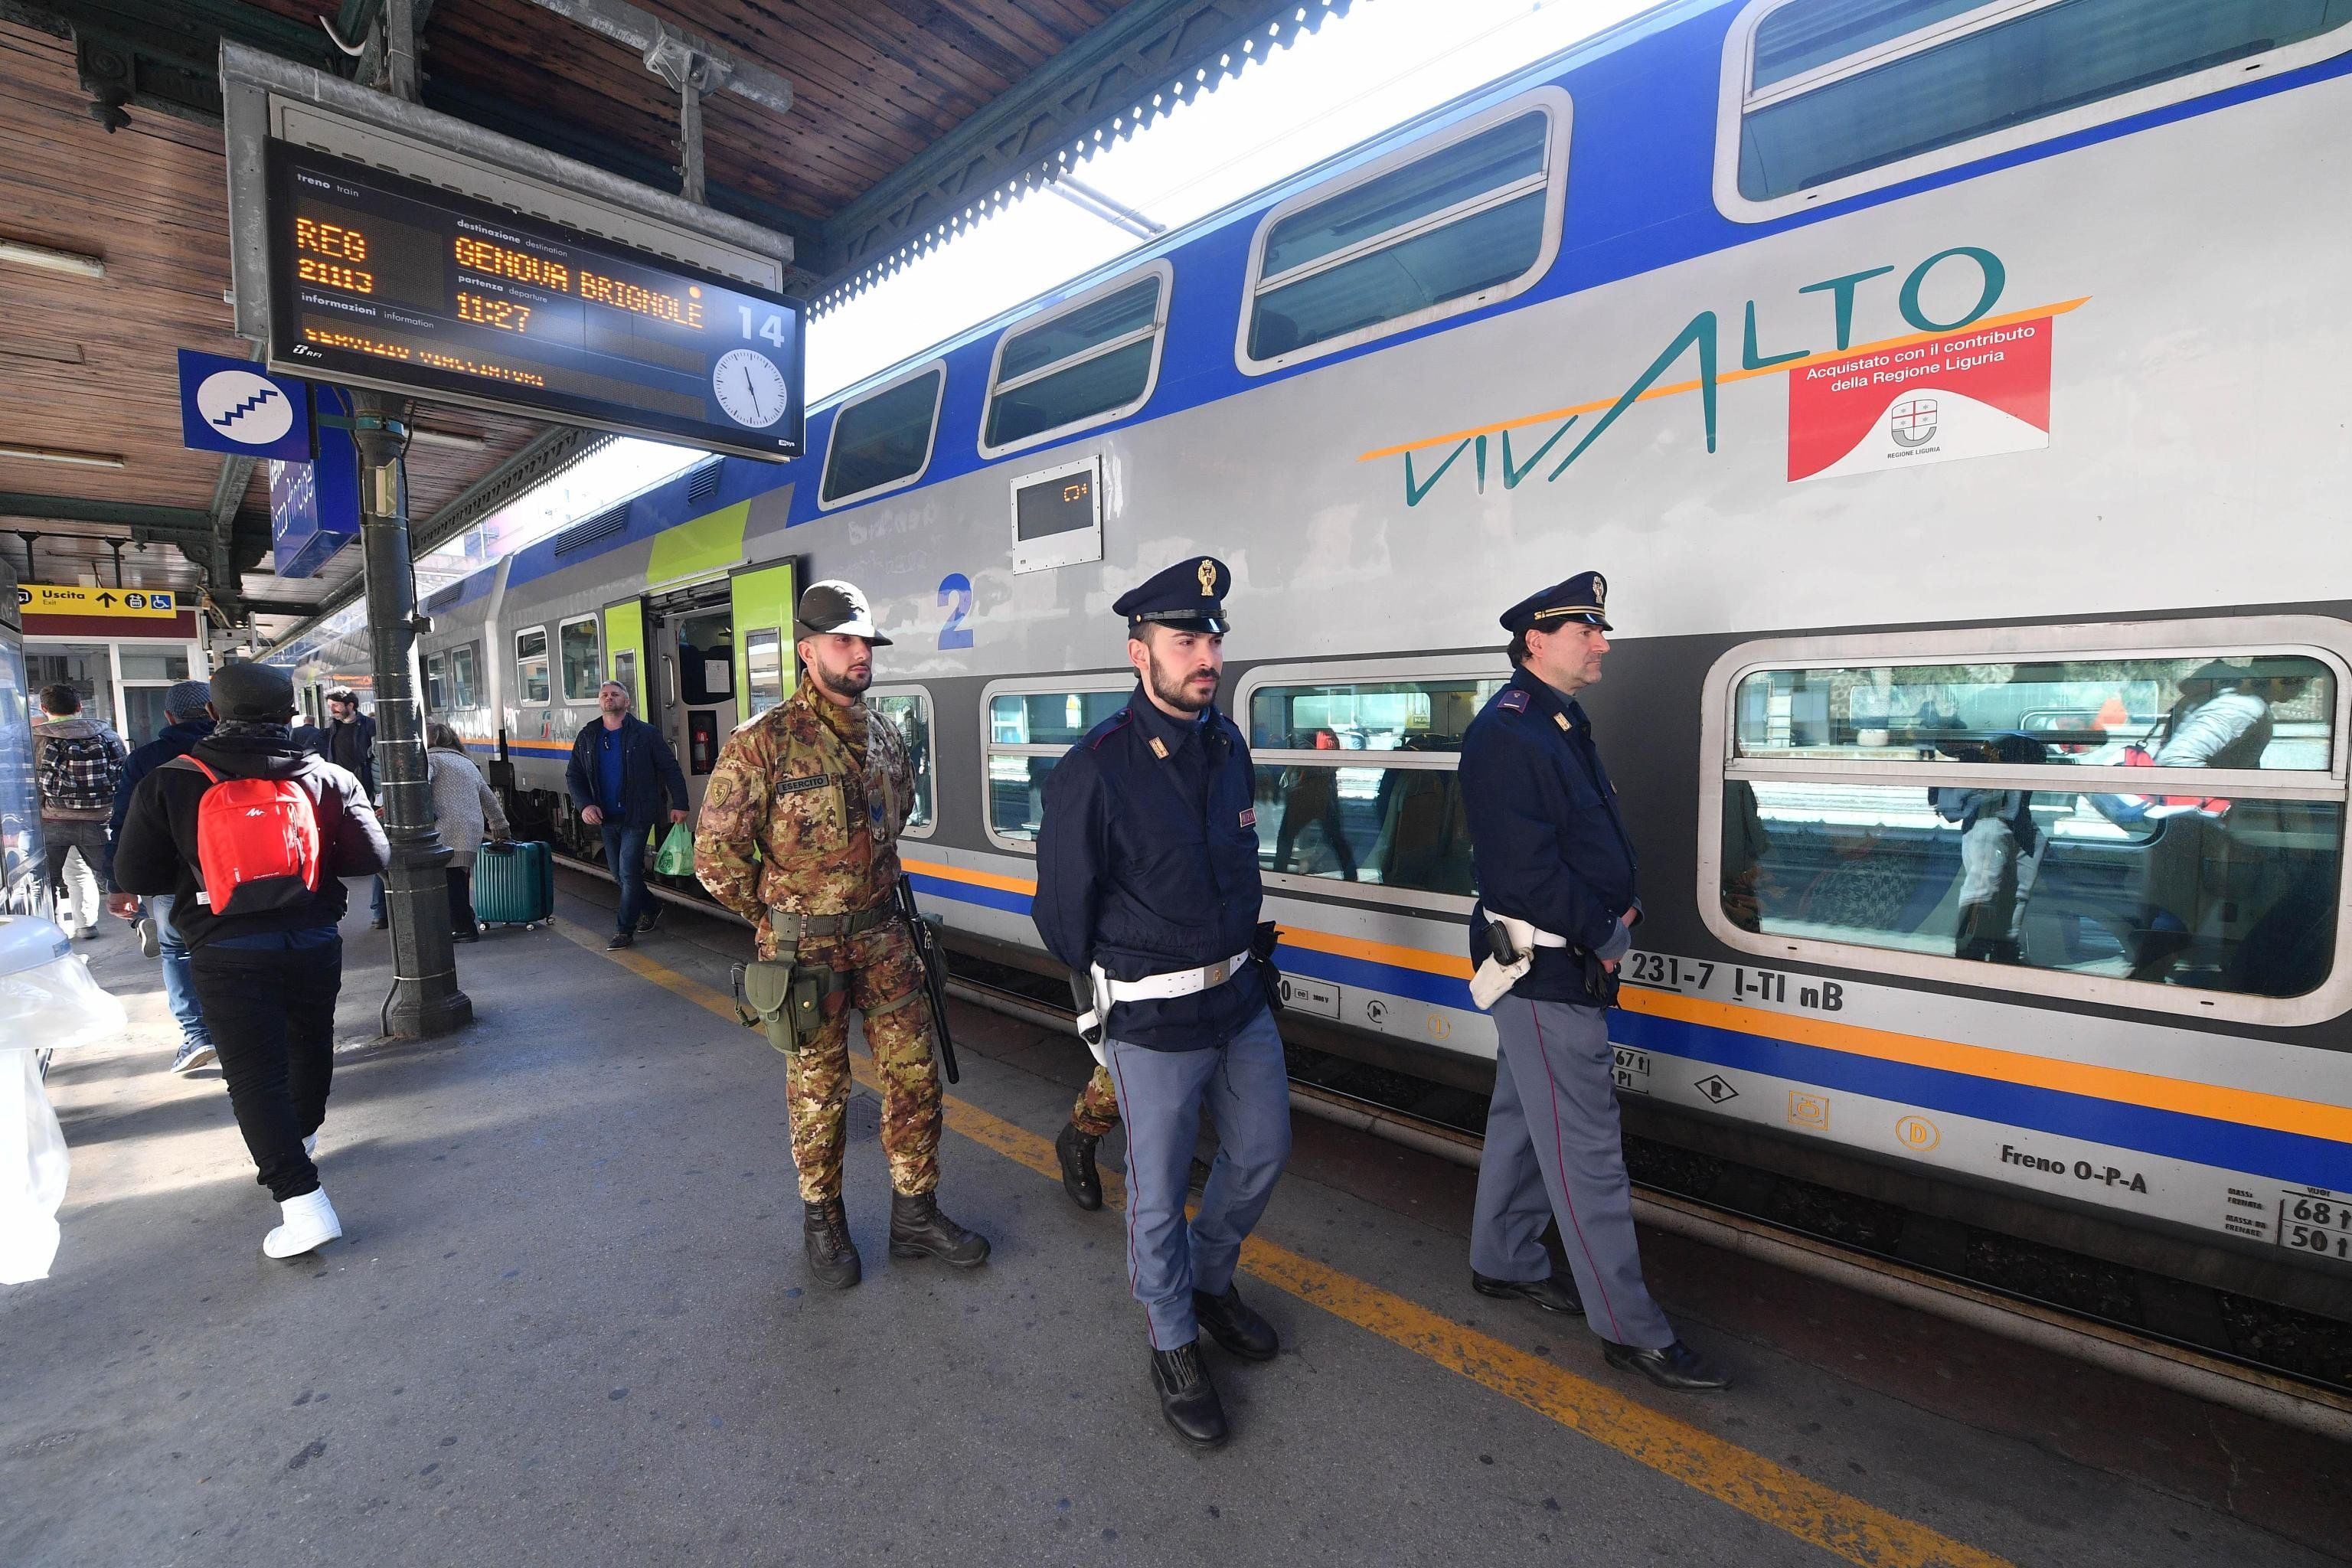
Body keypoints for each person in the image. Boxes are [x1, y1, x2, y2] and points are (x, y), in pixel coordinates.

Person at [1033, 556, 1291, 1449]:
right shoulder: (1096, 770)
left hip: (1241, 999)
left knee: (1261, 1150)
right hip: (1154, 1019)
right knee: (1153, 1194)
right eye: (1186, 639)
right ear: (1137, 652)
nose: (1206, 655)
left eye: (1213, 637)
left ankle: (1210, 1282)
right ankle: (1173, 1337)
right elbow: (1064, 917)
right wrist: (1122, 983)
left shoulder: (1229, 748)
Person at [1458, 571, 1730, 1393]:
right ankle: (1630, 1327)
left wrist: (1625, 899)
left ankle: (1503, 1257)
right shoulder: (1510, 732)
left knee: (1521, 1115)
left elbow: (1587, 836)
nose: (1603, 642)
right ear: (1537, 641)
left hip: (1558, 960)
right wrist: (1609, 929)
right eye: (1588, 630)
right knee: (1589, 1156)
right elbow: (1527, 873)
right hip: (1547, 966)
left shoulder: (1557, 720)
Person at [694, 581, 989, 1289]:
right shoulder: (761, 744)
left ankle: (915, 1214)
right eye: (843, 642)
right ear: (807, 650)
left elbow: (901, 814)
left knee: (915, 1078)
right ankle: (823, 1221)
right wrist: (773, 918)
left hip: (886, 937)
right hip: (806, 952)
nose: (860, 654)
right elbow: (715, 859)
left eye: (865, 642)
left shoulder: (885, 732)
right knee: (820, 1092)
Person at [111, 662, 390, 1259]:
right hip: (313, 939)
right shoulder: (328, 776)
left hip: (226, 947)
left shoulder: (171, 779)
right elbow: (372, 856)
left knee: (254, 1075)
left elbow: (136, 874)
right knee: (311, 1044)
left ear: (214, 713)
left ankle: (302, 1202)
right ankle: (302, 1141)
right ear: (292, 711)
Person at [100, 679, 217, 1073]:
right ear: (214, 712)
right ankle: (245, 1025)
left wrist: (119, 883)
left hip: (171, 877)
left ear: (169, 717)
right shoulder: (234, 750)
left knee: (176, 949)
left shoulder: (146, 759)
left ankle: (197, 1033)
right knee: (235, 944)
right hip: (237, 871)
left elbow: (123, 823)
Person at [565, 680, 689, 950]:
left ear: (627, 701)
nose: (609, 698)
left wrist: (680, 803)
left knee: (629, 872)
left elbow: (670, 769)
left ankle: (624, 929)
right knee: (618, 874)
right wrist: (585, 805)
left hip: (638, 814)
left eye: (615, 694)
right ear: (600, 702)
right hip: (606, 817)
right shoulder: (589, 735)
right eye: (604, 695)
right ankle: (651, 908)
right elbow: (573, 775)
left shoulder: (646, 734)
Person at [33, 683, 125, 941]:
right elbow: (123, 775)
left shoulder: (38, 738)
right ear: (79, 707)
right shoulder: (107, 736)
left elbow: (29, 782)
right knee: (111, 876)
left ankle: (47, 934)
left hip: (51, 821)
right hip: (98, 820)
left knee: (46, 882)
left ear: (44, 709)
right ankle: (135, 920)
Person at [426, 722, 511, 942]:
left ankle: (464, 928)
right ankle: (465, 919)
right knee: (459, 876)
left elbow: (419, 786)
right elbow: (489, 798)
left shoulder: (431, 760)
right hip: (472, 826)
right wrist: (500, 827)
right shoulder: (466, 762)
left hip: (446, 825)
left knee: (449, 878)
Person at [317, 688, 384, 929]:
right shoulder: (333, 729)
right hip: (341, 789)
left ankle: (379, 910)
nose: (332, 710)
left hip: (366, 790)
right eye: (331, 705)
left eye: (336, 705)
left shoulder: (370, 726)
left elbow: (377, 762)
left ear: (351, 705)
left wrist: (380, 796)